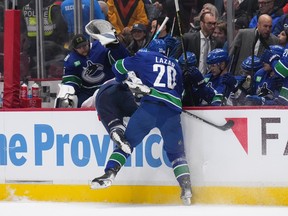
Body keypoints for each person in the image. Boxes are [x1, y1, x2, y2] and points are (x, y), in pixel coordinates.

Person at [90, 39, 193, 205]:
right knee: (176, 154)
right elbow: (180, 92)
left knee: (126, 144)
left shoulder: (144, 57)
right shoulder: (175, 64)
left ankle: (110, 173)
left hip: (149, 109)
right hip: (172, 111)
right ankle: (186, 189)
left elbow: (117, 67)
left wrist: (122, 79)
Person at [57, 29, 130, 108]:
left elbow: (121, 58)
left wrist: (116, 46)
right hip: (87, 92)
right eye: (79, 47)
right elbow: (71, 81)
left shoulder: (101, 46)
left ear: (88, 42)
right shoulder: (71, 60)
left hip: (109, 86)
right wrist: (69, 90)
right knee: (79, 104)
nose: (83, 48)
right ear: (74, 49)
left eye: (84, 45)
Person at [21, 0, 69, 78]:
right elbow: (61, 27)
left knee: (35, 70)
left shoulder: (25, 8)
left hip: (32, 44)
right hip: (51, 43)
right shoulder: (53, 8)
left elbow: (22, 28)